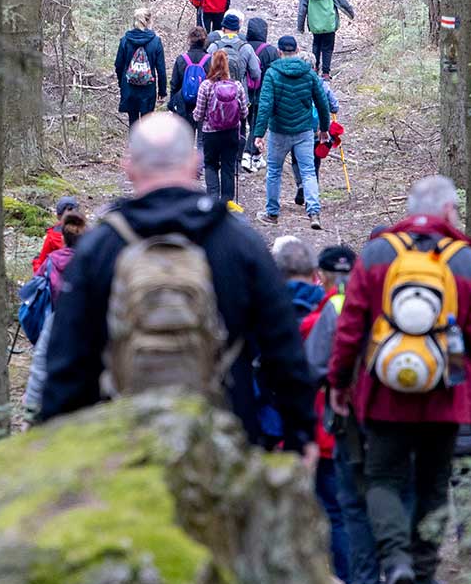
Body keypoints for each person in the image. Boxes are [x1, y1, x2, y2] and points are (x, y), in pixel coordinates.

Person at [38, 113, 317, 458]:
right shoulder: (239, 242)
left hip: (123, 452)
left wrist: (57, 453)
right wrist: (301, 436)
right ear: (195, 163)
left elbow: (66, 363)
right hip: (224, 446)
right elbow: (284, 350)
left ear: (129, 167)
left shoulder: (98, 248)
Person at [327, 176, 471, 584]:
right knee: (433, 484)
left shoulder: (377, 254)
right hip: (446, 394)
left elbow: (351, 328)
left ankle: (395, 562)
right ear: (448, 210)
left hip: (384, 392)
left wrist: (339, 382)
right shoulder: (466, 260)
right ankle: (424, 580)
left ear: (410, 209)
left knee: (382, 478)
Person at [305, 243, 379, 584]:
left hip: (337, 420)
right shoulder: (384, 302)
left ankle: (357, 582)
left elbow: (312, 367)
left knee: (344, 505)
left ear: (321, 276)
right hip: (386, 414)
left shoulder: (328, 311)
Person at [251, 34, 333, 230]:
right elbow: (322, 102)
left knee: (274, 172)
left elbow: (265, 105)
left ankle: (272, 213)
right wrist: (324, 129)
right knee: (308, 172)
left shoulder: (272, 74)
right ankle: (314, 212)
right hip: (304, 131)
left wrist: (259, 133)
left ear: (279, 52)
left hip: (279, 131)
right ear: (297, 51)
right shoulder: (309, 73)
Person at [256, 236, 327, 450]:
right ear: (315, 273)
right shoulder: (330, 307)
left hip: (270, 418)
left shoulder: (259, 306)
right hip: (320, 421)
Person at [22, 212, 89, 415]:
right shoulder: (88, 260)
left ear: (63, 238)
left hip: (53, 315)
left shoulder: (52, 260)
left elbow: (36, 283)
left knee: (46, 358)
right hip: (82, 320)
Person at [193, 49, 249, 208]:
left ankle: (212, 201)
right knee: (228, 166)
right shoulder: (237, 86)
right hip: (231, 133)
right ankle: (227, 203)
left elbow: (198, 115)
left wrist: (198, 116)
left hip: (210, 133)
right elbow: (244, 112)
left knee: (210, 165)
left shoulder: (205, 86)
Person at [295, 0, 355, 78]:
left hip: (315, 24)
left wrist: (300, 27)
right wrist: (351, 14)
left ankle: (314, 68)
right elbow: (342, 2)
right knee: (328, 47)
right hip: (329, 23)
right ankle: (326, 73)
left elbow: (302, 9)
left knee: (316, 44)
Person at [115, 9, 167, 126]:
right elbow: (161, 69)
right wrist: (162, 90)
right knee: (146, 123)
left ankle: (133, 138)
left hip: (129, 87)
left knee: (133, 121)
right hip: (148, 89)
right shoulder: (156, 41)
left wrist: (121, 83)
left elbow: (118, 65)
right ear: (149, 21)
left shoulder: (125, 40)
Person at [241, 15, 275, 172]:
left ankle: (255, 156)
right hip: (262, 94)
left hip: (243, 93)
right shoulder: (270, 51)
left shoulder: (242, 47)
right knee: (257, 125)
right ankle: (248, 154)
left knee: (246, 124)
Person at [208, 13, 261, 109]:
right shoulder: (246, 48)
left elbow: (207, 70)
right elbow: (256, 74)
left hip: (216, 98)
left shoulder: (214, 47)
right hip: (239, 98)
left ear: (223, 29)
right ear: (238, 30)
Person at [169, 26, 212, 132]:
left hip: (184, 104)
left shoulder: (181, 59)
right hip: (204, 105)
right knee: (202, 138)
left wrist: (172, 105)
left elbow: (174, 84)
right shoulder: (210, 60)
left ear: (190, 40)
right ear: (205, 41)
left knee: (186, 137)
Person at [30, 196, 84, 274]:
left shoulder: (52, 236)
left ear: (58, 216)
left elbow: (41, 267)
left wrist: (35, 262)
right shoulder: (89, 234)